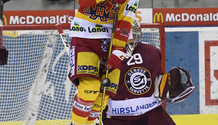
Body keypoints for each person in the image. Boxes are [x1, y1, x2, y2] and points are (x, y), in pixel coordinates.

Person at [102, 21, 195, 125]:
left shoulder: (151, 51)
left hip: (146, 113)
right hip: (123, 116)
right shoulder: (151, 51)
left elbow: (156, 81)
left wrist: (165, 87)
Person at [68, 0, 139, 124]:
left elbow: (124, 22)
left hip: (112, 42)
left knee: (103, 96)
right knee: (89, 88)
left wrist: (118, 51)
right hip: (85, 36)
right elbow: (84, 2)